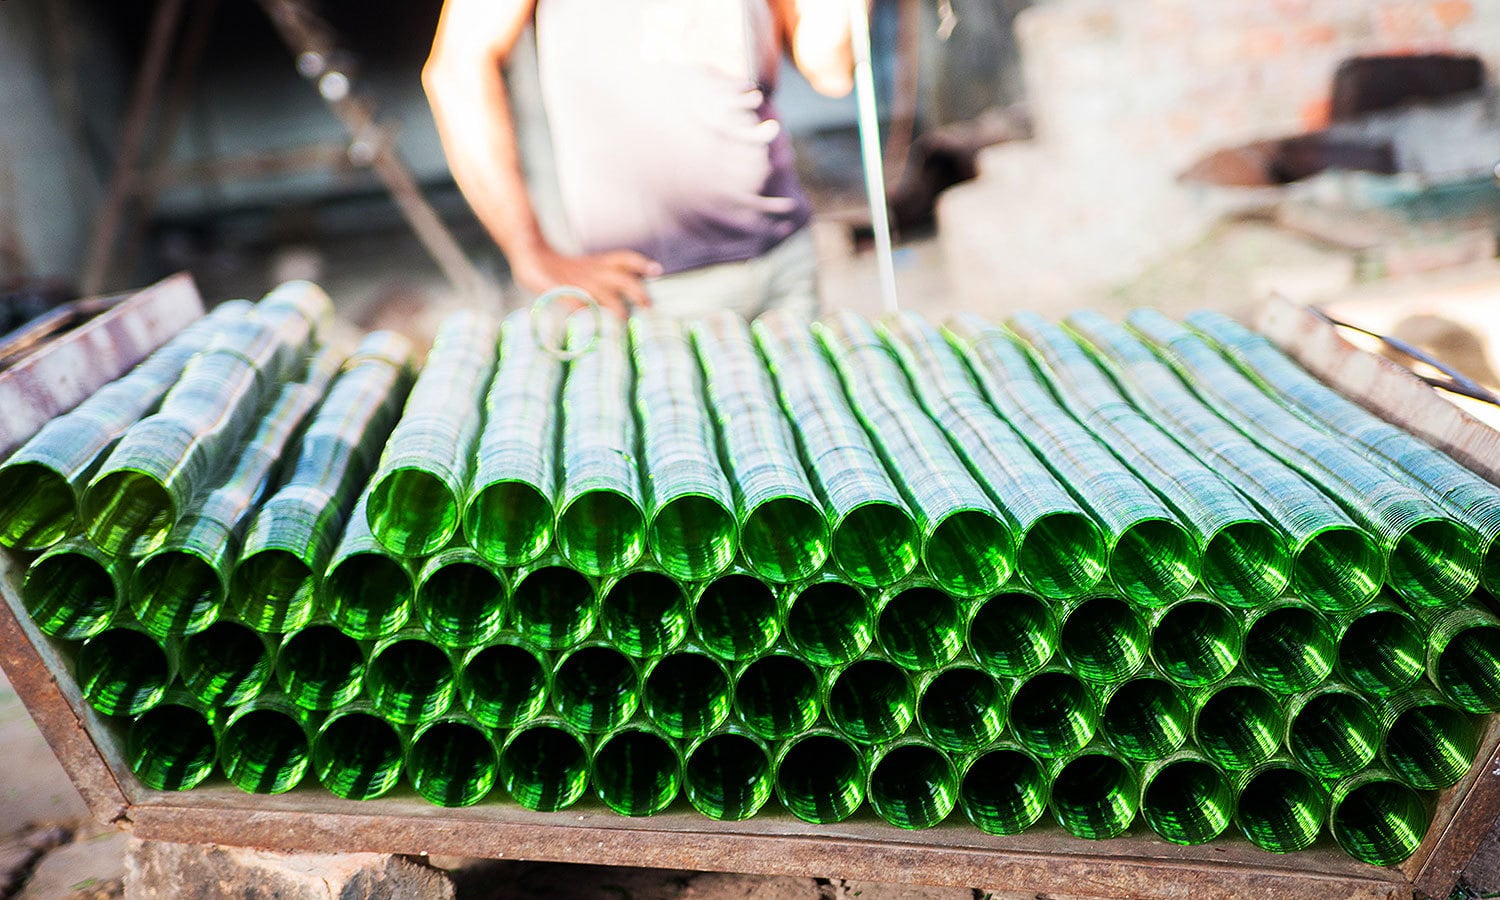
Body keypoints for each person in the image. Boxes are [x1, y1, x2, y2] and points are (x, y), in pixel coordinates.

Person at [422, 0, 855, 319]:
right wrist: (529, 251)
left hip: (785, 254)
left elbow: (830, 68)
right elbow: (458, 67)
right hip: (654, 288)